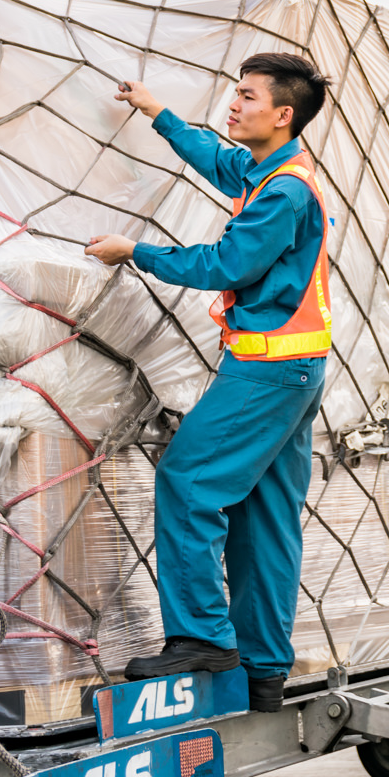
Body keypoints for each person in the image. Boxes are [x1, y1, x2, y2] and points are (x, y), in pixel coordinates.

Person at [84, 53, 333, 713]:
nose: (234, 105)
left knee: (188, 480)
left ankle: (202, 636)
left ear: (282, 115)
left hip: (269, 369)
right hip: (295, 367)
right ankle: (263, 669)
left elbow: (228, 263)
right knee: (265, 518)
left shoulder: (284, 192)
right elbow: (218, 160)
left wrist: (134, 250)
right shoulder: (269, 169)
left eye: (247, 97)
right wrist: (157, 112)